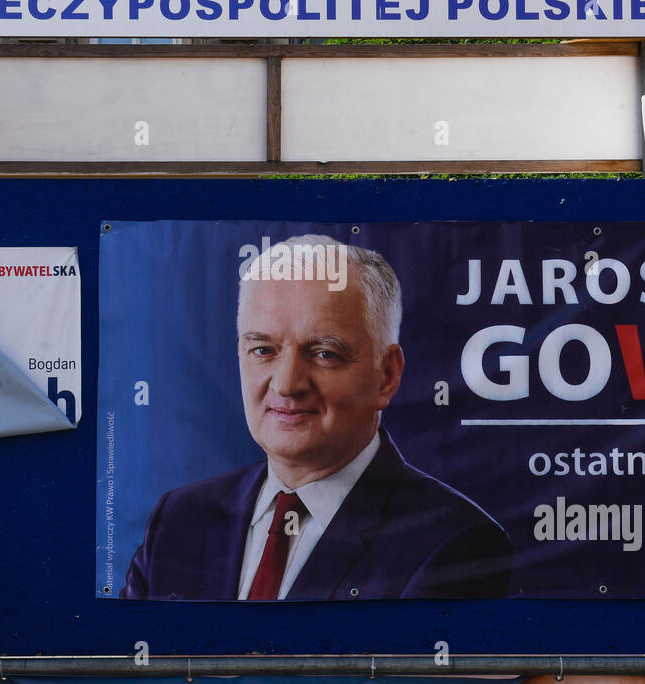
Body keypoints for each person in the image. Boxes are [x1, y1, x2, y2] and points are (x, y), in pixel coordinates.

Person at [122, 234, 513, 600]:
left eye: (325, 353)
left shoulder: (455, 543)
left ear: (387, 374)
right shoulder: (178, 521)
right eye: (263, 350)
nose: (287, 384)